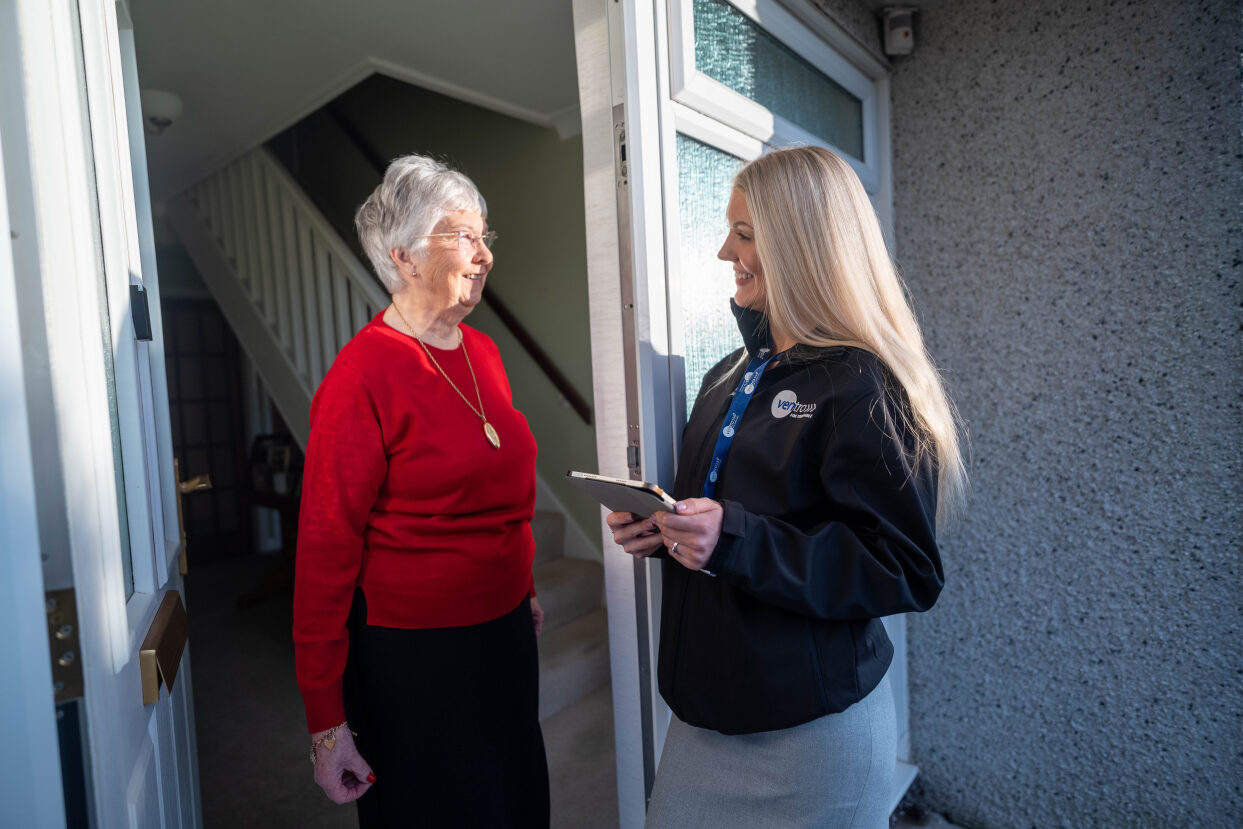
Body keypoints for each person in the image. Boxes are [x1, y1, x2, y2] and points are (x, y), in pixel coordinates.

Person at [607, 146, 966, 828]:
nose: (722, 251)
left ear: (800, 244)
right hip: (701, 721)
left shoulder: (863, 383)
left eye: (743, 234)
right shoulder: (727, 372)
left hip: (811, 739)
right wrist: (664, 530)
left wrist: (734, 538)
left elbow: (904, 569)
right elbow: (728, 522)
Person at [293, 154, 549, 827]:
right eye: (462, 235)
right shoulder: (360, 377)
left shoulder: (483, 353)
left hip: (504, 637)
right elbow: (324, 552)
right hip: (413, 659)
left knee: (515, 805)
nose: (483, 253)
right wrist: (326, 719)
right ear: (403, 257)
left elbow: (500, 496)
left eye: (485, 235)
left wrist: (519, 588)